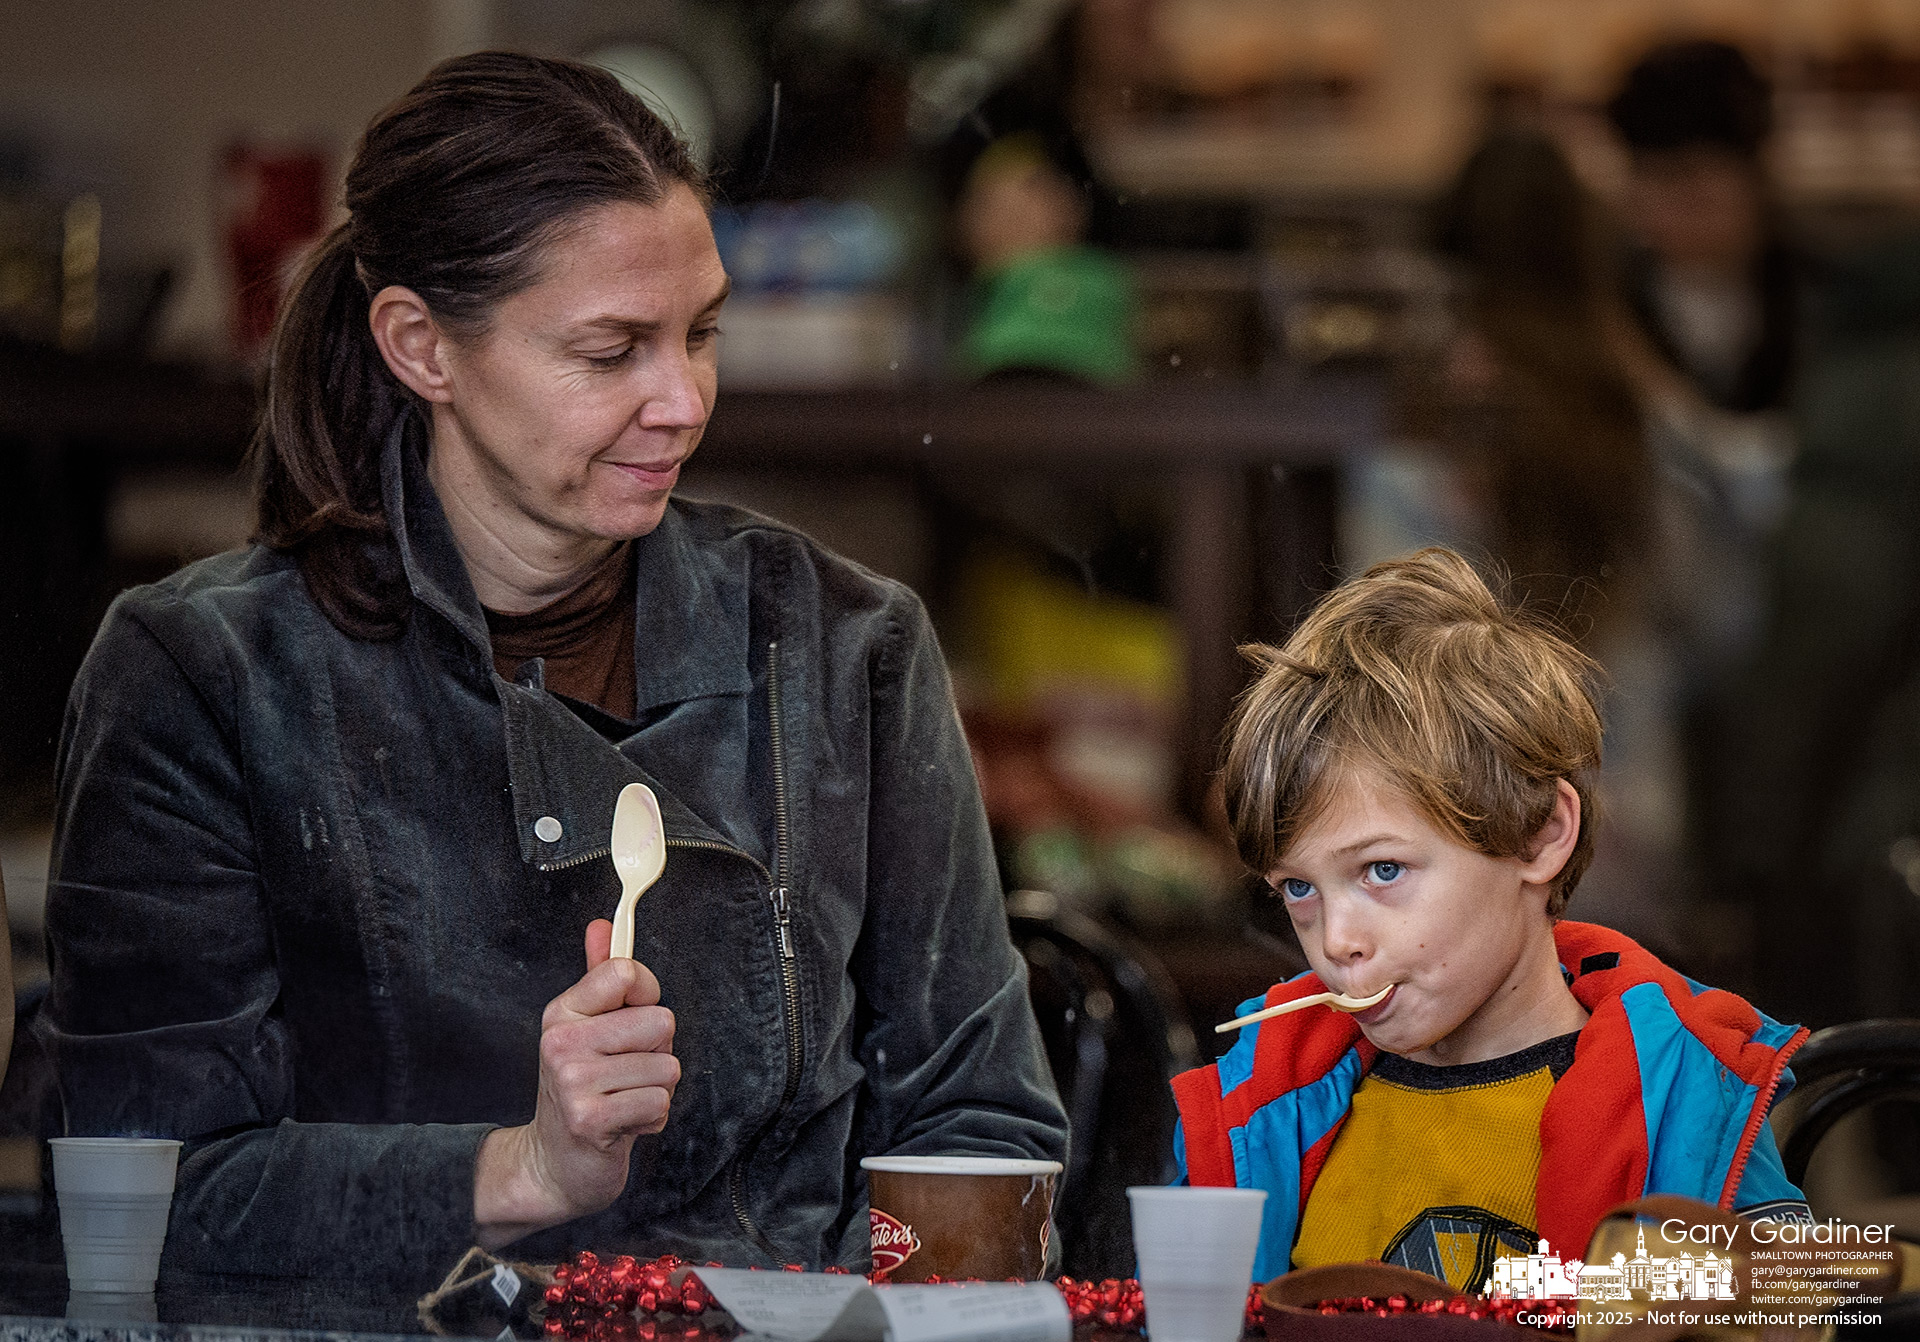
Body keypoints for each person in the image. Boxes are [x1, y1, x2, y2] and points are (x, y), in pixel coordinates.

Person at [38, 52, 1066, 1290]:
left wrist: (864, 1305)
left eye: (700, 334)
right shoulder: (202, 675)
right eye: (610, 349)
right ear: (422, 345)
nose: (683, 400)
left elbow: (981, 1131)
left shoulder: (850, 646)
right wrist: (522, 1169)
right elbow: (145, 1196)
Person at [1169, 549, 1808, 1289]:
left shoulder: (1684, 1097)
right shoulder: (1265, 1108)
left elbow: (1803, 1304)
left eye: (1383, 871)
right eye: (1299, 890)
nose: (1336, 942)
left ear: (1539, 834)